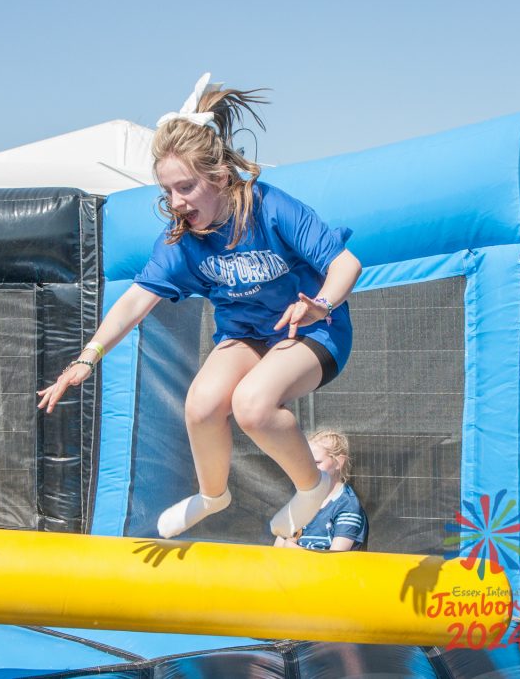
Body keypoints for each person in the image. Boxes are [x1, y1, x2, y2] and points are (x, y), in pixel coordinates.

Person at [38, 73, 362, 540]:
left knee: (252, 405)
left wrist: (321, 304)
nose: (175, 202)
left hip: (311, 328)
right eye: (167, 191)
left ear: (220, 177)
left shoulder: (271, 208)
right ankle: (213, 497)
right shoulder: (184, 241)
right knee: (202, 405)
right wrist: (89, 355)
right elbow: (135, 301)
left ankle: (312, 489)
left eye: (185, 188)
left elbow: (346, 263)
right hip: (249, 334)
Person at [274, 430, 368, 551]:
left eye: (317, 462)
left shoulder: (347, 506)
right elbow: (276, 550)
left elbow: (335, 561)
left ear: (339, 462)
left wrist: (293, 550)